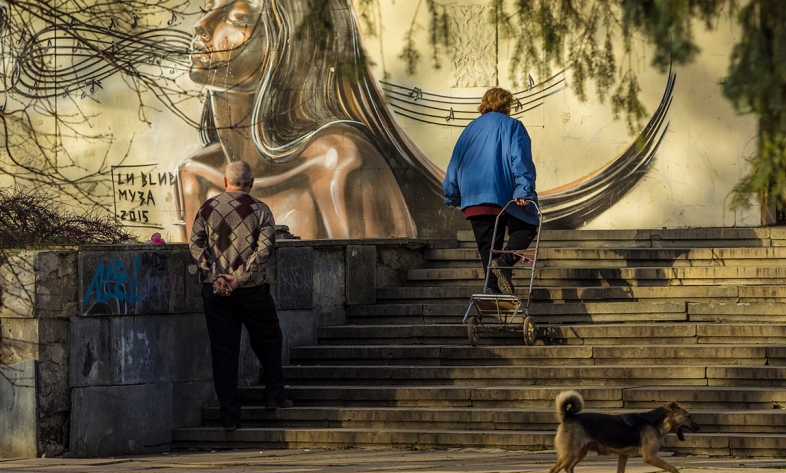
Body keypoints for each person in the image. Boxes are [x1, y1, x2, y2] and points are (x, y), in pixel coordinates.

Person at [176, 0, 446, 240]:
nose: (201, 25)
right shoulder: (194, 176)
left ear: (288, 44)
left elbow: (377, 277)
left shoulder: (339, 165)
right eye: (206, 8)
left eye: (238, 18)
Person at [189, 160, 291, 431]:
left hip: (216, 292)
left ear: (225, 182)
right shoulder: (260, 210)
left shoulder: (207, 209)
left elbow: (195, 245)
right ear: (252, 183)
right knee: (269, 340)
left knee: (224, 352)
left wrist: (216, 276)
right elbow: (265, 249)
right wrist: (240, 278)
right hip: (252, 291)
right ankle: (274, 396)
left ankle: (230, 417)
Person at [442, 88, 540, 295]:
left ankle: (491, 291)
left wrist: (452, 194)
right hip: (503, 194)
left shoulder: (469, 129)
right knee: (527, 226)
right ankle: (504, 262)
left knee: (488, 248)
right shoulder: (513, 126)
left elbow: (454, 163)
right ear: (507, 104)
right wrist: (523, 190)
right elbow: (520, 159)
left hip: (474, 197)